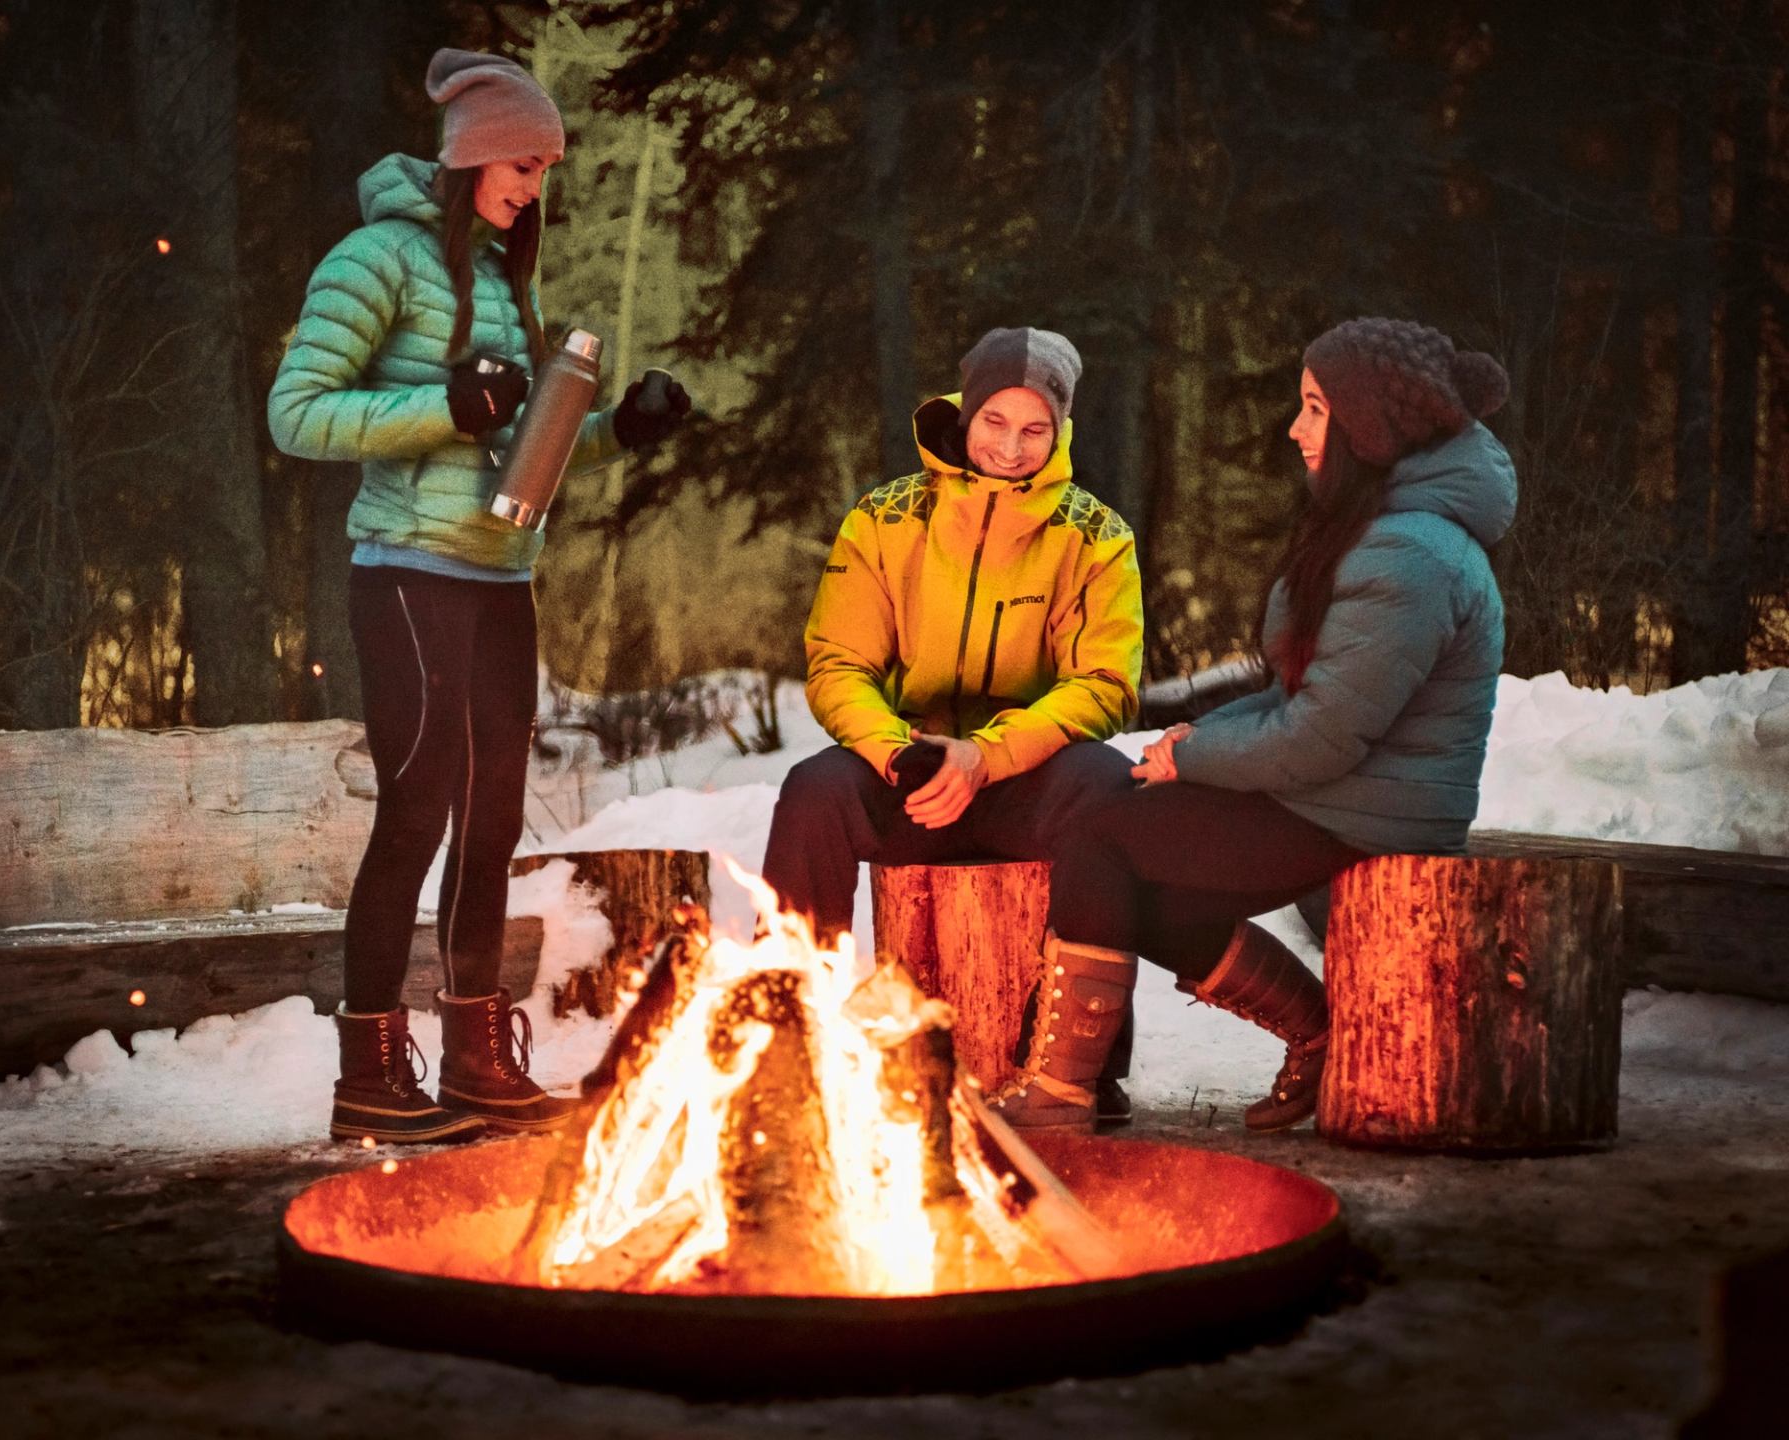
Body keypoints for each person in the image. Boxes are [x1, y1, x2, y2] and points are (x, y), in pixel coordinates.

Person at [267, 48, 689, 1144]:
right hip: (405, 573)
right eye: (520, 161)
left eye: (546, 166)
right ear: (467, 159)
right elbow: (299, 415)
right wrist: (440, 406)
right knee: (415, 810)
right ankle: (368, 1069)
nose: (534, 183)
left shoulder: (509, 277)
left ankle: (473, 1055)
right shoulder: (375, 260)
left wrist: (616, 432)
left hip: (501, 577)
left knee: (492, 820)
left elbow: (517, 452)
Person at [992, 317, 1516, 1135]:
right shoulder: (1384, 529)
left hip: (1368, 811)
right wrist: (1191, 743)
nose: (1295, 427)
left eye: (1314, 408)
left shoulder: (1411, 555)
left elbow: (1323, 737)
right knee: (1139, 879)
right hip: (1346, 795)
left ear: (1367, 428)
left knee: (1102, 841)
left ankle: (1058, 1093)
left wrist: (1194, 760)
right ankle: (1316, 1030)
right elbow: (1296, 695)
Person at [760, 327, 1145, 1112]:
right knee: (813, 793)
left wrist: (988, 756)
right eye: (994, 423)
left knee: (1108, 785)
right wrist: (899, 753)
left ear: (1061, 431)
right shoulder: (885, 517)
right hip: (909, 775)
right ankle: (786, 1052)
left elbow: (1105, 684)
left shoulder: (1097, 536)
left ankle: (1077, 1067)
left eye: (1034, 428)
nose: (1011, 446)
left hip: (1025, 778)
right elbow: (838, 663)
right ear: (964, 416)